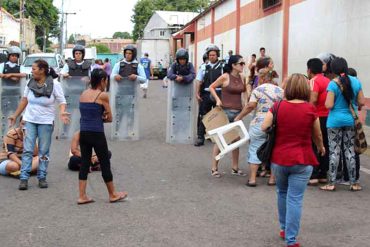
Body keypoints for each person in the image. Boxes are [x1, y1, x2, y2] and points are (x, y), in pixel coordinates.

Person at [261, 73, 325, 247]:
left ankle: (283, 228)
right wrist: (320, 147)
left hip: (279, 158)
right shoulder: (310, 109)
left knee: (282, 193)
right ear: (305, 89)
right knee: (295, 198)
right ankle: (291, 239)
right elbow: (317, 134)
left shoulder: (277, 106)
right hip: (303, 159)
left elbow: (264, 126)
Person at [8, 60, 70, 190]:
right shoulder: (30, 83)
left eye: (34, 68)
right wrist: (15, 115)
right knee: (28, 149)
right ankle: (24, 178)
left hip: (46, 122)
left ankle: (42, 177)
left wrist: (63, 112)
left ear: (42, 70)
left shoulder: (54, 84)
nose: (32, 70)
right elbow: (24, 100)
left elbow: (62, 101)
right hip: (29, 120)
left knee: (43, 151)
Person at [78, 69, 127, 204]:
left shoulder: (83, 94)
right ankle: (112, 194)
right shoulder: (102, 95)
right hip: (97, 133)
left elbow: (85, 114)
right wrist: (102, 118)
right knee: (105, 162)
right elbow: (109, 118)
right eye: (105, 80)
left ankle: (82, 196)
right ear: (102, 81)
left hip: (84, 133)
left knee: (84, 164)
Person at [320, 57, 364, 192]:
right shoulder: (356, 82)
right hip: (351, 120)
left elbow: (329, 104)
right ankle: (354, 183)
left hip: (334, 122)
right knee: (350, 150)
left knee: (334, 151)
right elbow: (361, 102)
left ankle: (331, 183)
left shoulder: (333, 84)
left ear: (333, 69)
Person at [234, 68, 283, 186]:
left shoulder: (258, 90)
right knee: (274, 149)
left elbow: (251, 106)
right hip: (276, 123)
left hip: (259, 123)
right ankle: (272, 179)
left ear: (261, 78)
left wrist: (239, 117)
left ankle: (252, 179)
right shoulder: (281, 91)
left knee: (255, 147)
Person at [209, 55, 247, 177]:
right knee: (220, 140)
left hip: (238, 112)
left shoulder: (242, 77)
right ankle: (214, 167)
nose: (243, 65)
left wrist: (245, 106)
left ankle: (235, 167)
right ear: (233, 65)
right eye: (241, 63)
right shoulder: (225, 77)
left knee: (236, 140)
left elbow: (245, 92)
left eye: (243, 63)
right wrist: (217, 100)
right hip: (226, 112)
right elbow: (211, 87)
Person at [194, 44, 224, 146]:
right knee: (203, 115)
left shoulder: (223, 66)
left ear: (217, 55)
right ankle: (200, 137)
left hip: (219, 94)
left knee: (219, 116)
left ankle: (218, 137)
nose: (212, 57)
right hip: (206, 94)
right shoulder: (203, 67)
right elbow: (198, 80)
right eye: (210, 55)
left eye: (214, 55)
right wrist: (197, 93)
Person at [306, 58, 330, 185]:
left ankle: (313, 175)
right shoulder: (328, 80)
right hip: (328, 118)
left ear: (309, 70)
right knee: (324, 145)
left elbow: (313, 99)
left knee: (314, 145)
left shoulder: (313, 81)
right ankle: (323, 175)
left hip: (317, 117)